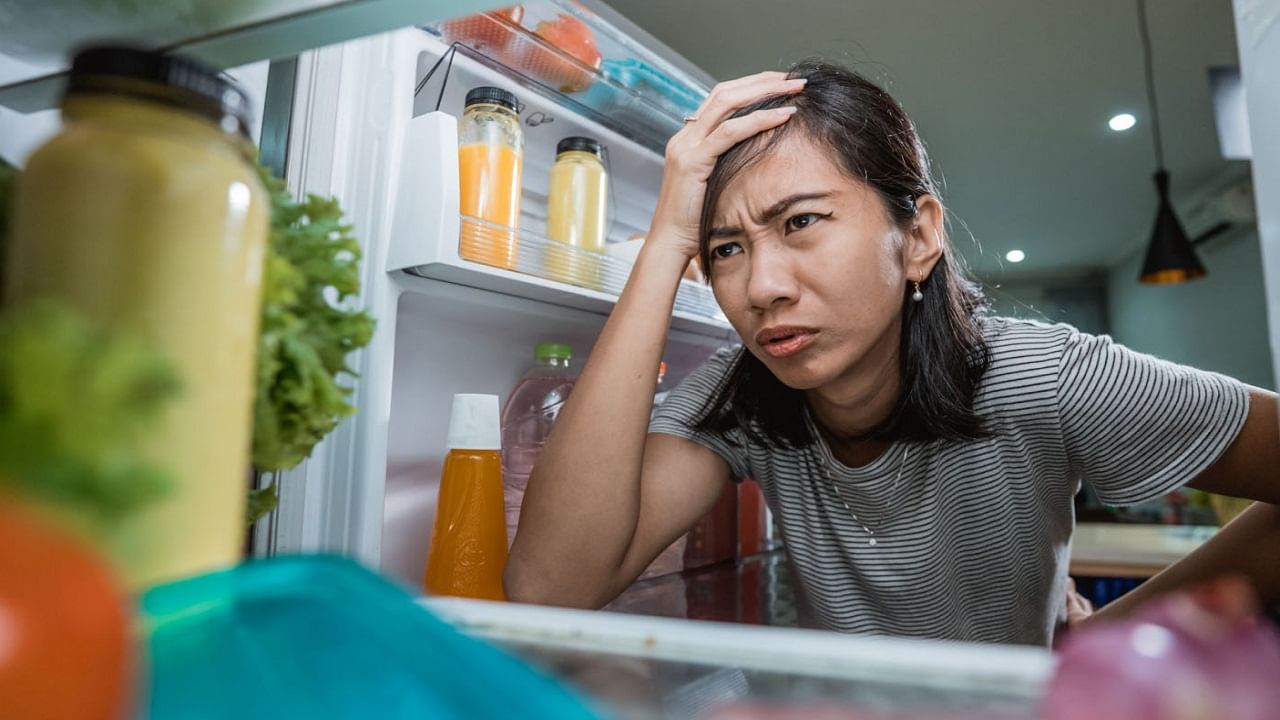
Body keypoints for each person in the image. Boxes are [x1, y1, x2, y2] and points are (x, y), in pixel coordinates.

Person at [504, 60, 1280, 646]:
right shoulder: (741, 400)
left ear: (918, 237)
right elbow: (548, 589)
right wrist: (667, 244)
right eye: (726, 248)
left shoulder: (1044, 377)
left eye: (801, 221)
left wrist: (1093, 648)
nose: (761, 285)